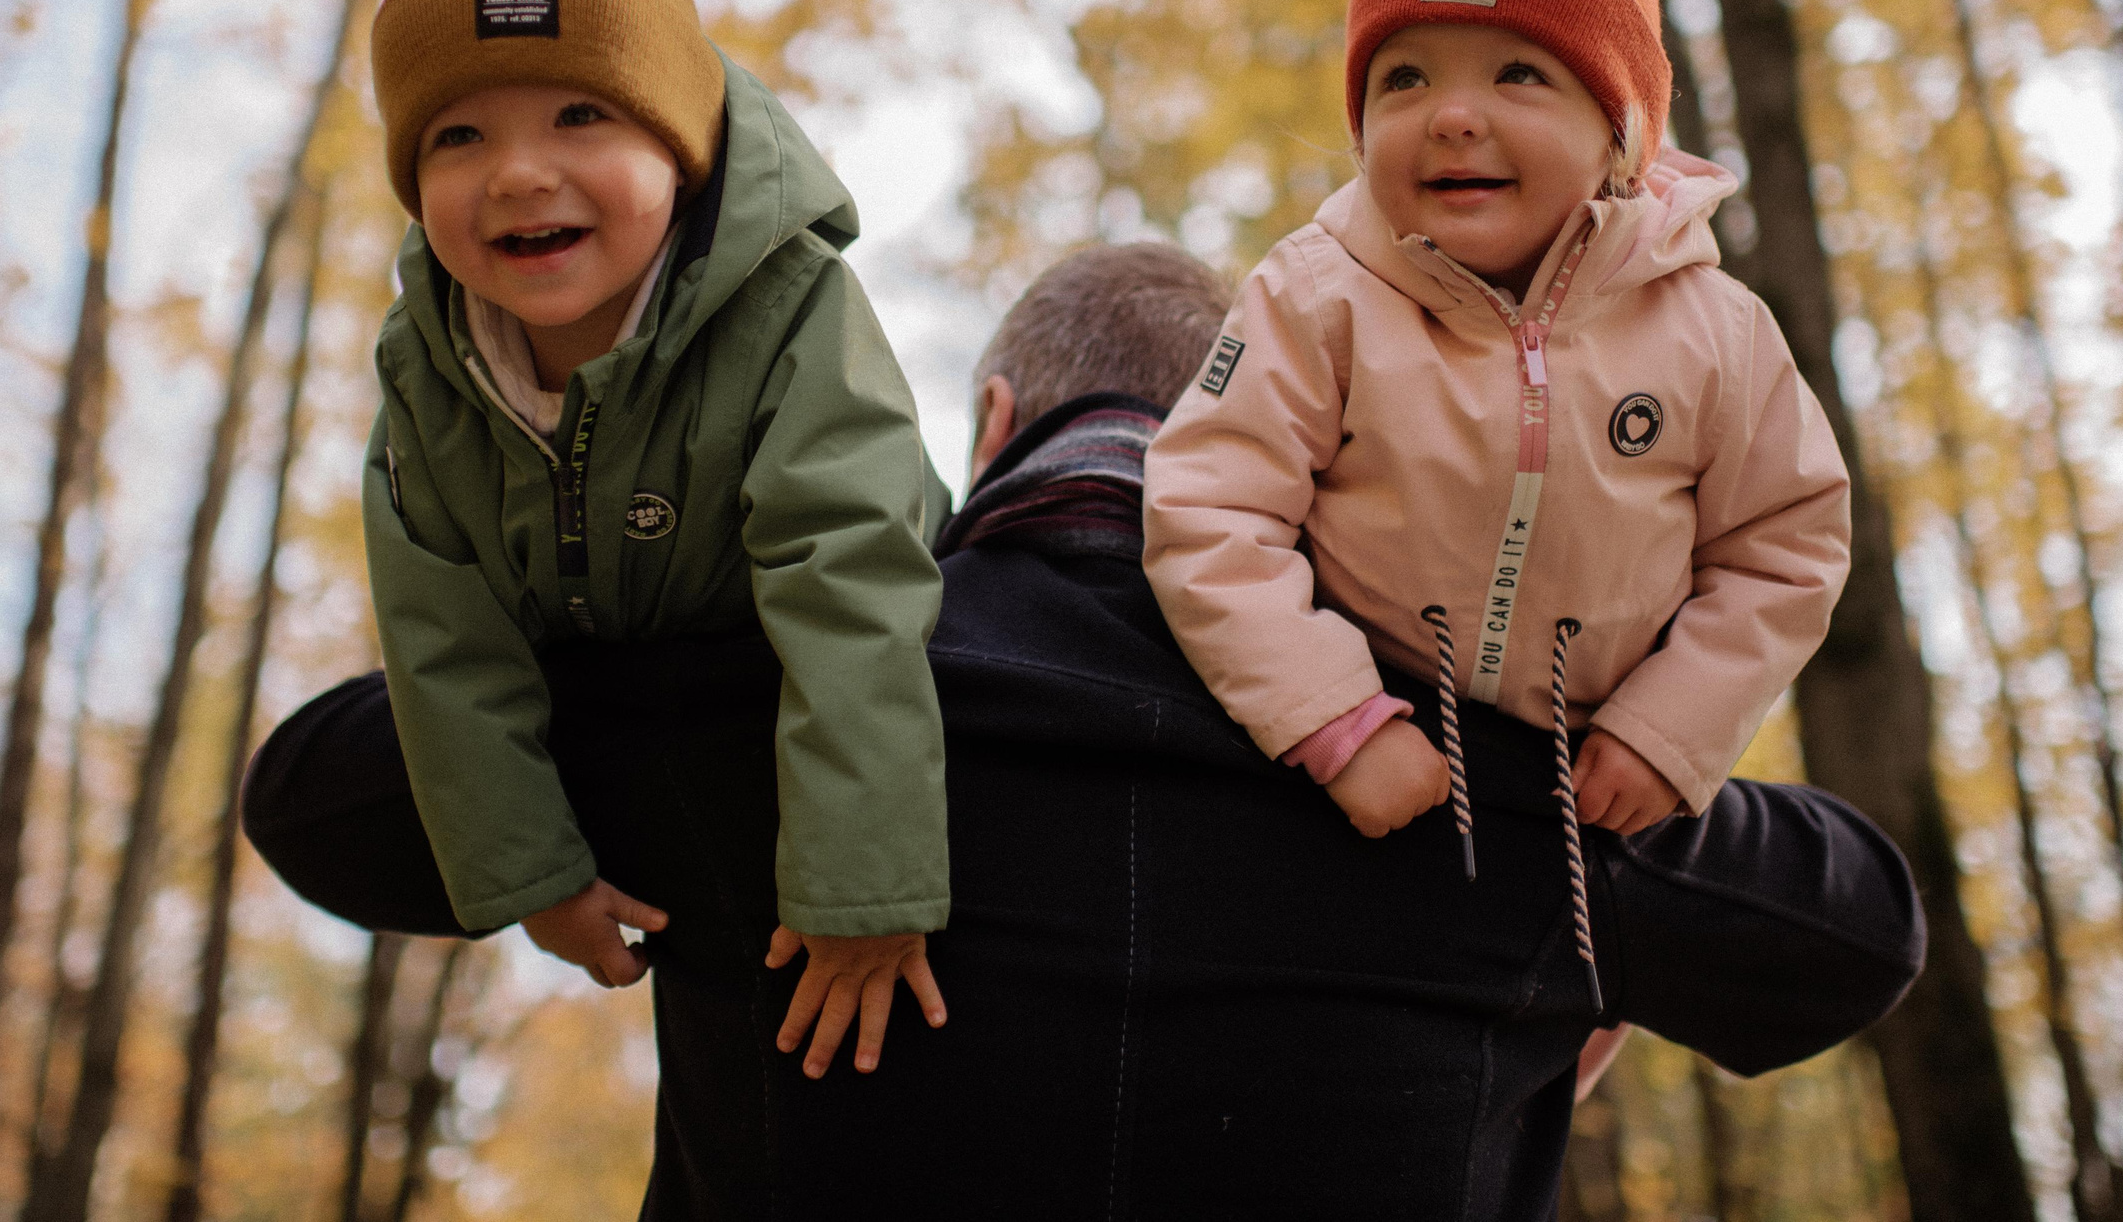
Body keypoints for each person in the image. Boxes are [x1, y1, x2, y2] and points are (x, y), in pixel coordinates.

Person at [249, 238, 1920, 1220]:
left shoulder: (762, 703)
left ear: (990, 430)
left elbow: (317, 795)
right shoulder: (1471, 761)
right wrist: (1598, 905)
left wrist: (647, 658)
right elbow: (1857, 926)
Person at [1143, 0, 1852, 1017]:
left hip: (1587, 788)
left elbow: (1784, 545)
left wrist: (1670, 728)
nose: (1451, 116)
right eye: (1403, 78)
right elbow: (1207, 504)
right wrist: (1332, 715)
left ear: (1620, 131)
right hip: (1366, 755)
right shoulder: (1318, 296)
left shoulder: (1712, 331)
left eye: (1517, 74)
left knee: (1568, 1023)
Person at [353, 0, 950, 1126]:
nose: (518, 171)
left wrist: (864, 892)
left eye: (582, 112)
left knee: (829, 1026)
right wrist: (537, 874)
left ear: (681, 145)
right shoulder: (428, 375)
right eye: (459, 133)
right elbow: (439, 638)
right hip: (628, 679)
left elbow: (849, 578)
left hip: (832, 675)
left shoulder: (791, 315)